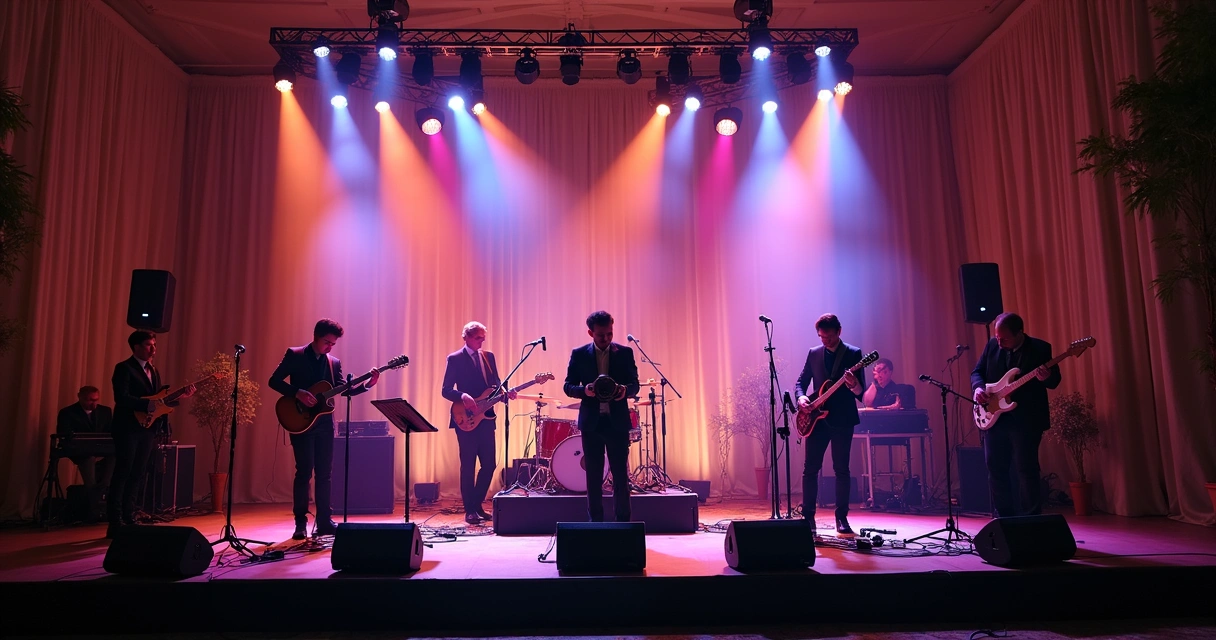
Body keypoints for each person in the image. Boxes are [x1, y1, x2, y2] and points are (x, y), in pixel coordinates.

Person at [269, 318, 379, 540]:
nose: (330, 347)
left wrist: (367, 384)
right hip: (299, 421)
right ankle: (300, 522)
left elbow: (344, 390)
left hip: (324, 424)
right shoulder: (295, 354)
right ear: (315, 337)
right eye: (327, 342)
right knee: (303, 472)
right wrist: (297, 392)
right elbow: (274, 381)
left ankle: (324, 522)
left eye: (333, 344)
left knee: (325, 474)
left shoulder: (333, 362)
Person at [971, 312, 1060, 517]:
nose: (999, 342)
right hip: (995, 417)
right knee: (995, 467)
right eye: (998, 337)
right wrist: (978, 388)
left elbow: (1054, 382)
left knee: (1026, 469)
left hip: (1026, 419)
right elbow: (977, 372)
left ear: (1019, 333)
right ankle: (1003, 516)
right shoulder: (992, 345)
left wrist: (1046, 377)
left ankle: (1031, 518)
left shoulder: (1040, 348)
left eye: (1005, 338)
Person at [108, 331, 194, 538]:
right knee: (123, 472)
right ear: (136, 347)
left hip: (147, 429)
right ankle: (115, 521)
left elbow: (158, 403)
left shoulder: (153, 371)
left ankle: (131, 517)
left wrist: (181, 396)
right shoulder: (124, 368)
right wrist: (147, 403)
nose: (153, 349)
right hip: (127, 427)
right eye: (149, 345)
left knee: (138, 472)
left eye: (154, 345)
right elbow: (122, 397)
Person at [562, 311, 640, 523]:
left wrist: (625, 390)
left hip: (617, 424)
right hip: (592, 425)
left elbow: (635, 384)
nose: (606, 339)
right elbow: (567, 386)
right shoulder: (579, 354)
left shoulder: (625, 353)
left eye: (609, 334)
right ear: (590, 333)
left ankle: (623, 525)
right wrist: (584, 390)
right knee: (593, 478)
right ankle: (595, 525)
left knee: (621, 477)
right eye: (600, 335)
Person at [795, 313, 865, 535]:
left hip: (842, 419)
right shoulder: (814, 353)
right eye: (821, 337)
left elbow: (860, 391)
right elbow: (801, 382)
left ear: (839, 332)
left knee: (841, 470)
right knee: (810, 470)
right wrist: (801, 397)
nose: (825, 341)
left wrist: (853, 384)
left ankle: (841, 518)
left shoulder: (854, 354)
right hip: (817, 420)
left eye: (829, 338)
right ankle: (808, 518)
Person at [440, 321, 516, 525]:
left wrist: (506, 393)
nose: (482, 341)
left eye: (483, 337)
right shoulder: (455, 359)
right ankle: (469, 510)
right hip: (464, 418)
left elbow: (496, 384)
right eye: (477, 337)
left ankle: (477, 504)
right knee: (468, 465)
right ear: (466, 337)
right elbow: (446, 389)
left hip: (486, 418)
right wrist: (463, 395)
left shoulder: (489, 357)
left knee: (489, 464)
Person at [56, 386, 114, 521]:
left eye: (96, 400)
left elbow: (110, 433)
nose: (93, 403)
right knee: (88, 460)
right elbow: (65, 436)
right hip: (81, 451)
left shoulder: (105, 411)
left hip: (101, 449)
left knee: (115, 456)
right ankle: (95, 502)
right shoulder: (67, 413)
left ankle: (103, 488)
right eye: (89, 400)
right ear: (79, 396)